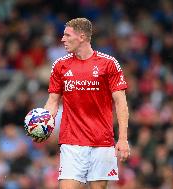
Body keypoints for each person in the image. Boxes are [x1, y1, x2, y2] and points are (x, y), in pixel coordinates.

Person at [44, 18, 130, 189]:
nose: (63, 39)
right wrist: (44, 122)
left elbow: (121, 103)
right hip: (71, 142)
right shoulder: (60, 66)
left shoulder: (108, 64)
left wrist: (123, 139)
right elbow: (52, 102)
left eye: (67, 35)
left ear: (81, 36)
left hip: (102, 142)